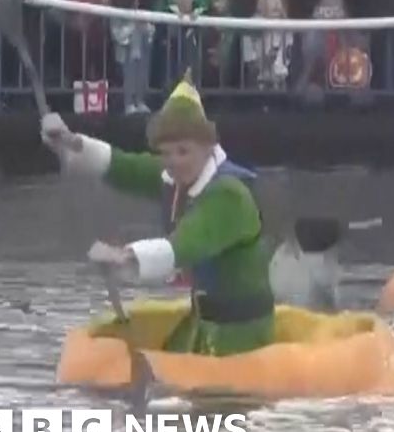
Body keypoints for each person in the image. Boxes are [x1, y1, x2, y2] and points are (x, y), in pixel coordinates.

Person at [39, 74, 275, 357]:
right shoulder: (176, 177)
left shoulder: (229, 195)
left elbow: (188, 242)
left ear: (209, 146)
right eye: (165, 153)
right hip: (203, 319)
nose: (173, 161)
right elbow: (123, 166)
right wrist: (71, 143)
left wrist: (127, 256)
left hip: (243, 333)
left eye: (183, 151)